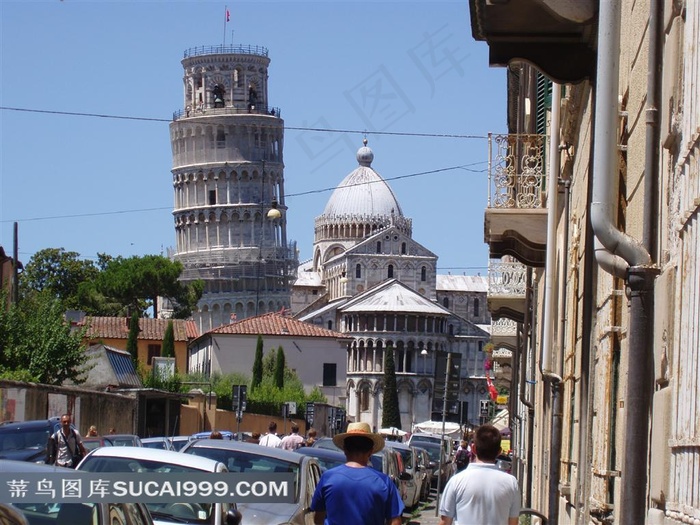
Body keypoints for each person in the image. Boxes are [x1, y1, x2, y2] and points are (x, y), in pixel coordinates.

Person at [310, 422, 404, 525]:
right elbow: (395, 521)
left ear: (345, 450)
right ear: (371, 451)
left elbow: (318, 518)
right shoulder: (384, 482)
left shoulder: (328, 478)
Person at [439, 425, 520, 525]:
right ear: (499, 452)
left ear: (473, 449)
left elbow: (445, 522)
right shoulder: (511, 483)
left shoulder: (456, 481)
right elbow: (513, 523)